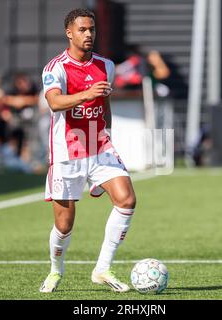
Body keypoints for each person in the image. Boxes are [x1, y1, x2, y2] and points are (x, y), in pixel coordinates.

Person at [39, 8, 136, 293]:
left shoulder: (106, 65)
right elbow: (55, 103)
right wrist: (85, 94)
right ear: (69, 33)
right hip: (67, 151)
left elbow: (104, 102)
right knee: (64, 224)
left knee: (126, 200)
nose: (89, 34)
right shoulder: (55, 67)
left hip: (99, 145)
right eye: (82, 29)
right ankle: (56, 271)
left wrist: (108, 132)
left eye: (92, 29)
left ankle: (103, 269)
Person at [3, 73, 40, 158]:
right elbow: (4, 99)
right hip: (16, 120)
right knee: (14, 135)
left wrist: (24, 100)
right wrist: (15, 101)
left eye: (25, 82)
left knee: (29, 140)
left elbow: (40, 98)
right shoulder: (12, 90)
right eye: (20, 83)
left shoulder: (34, 88)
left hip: (32, 121)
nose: (23, 85)